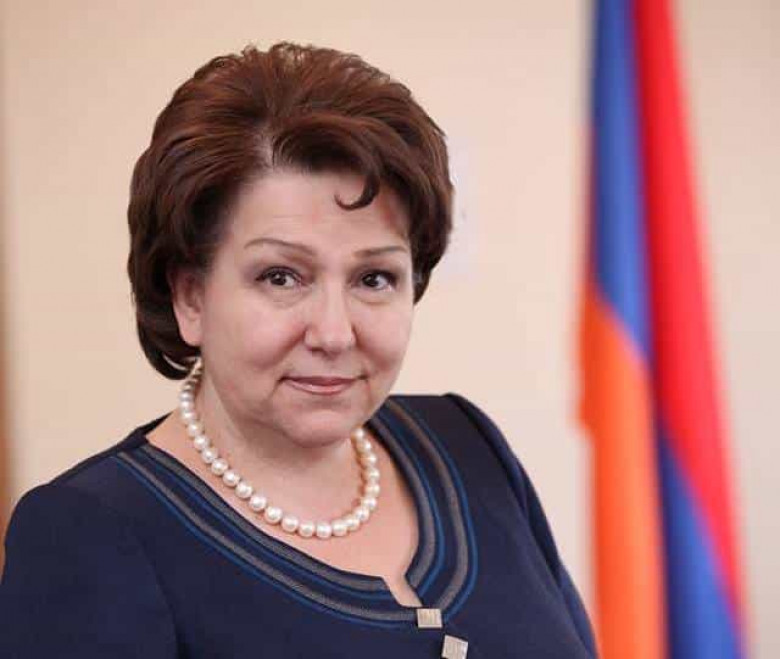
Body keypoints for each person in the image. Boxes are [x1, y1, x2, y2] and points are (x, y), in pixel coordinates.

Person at [0, 43, 596, 657]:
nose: (334, 333)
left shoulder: (469, 449)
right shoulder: (88, 535)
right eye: (281, 277)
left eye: (374, 278)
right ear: (190, 297)